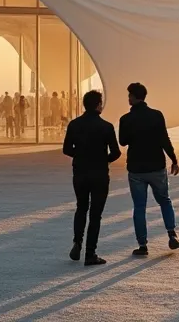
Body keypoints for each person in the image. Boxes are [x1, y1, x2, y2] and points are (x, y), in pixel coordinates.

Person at [118, 82, 179, 256]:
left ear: (134, 97)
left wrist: (133, 132)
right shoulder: (156, 115)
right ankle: (172, 234)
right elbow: (164, 139)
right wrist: (174, 159)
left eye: (129, 95)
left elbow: (122, 141)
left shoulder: (126, 119)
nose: (128, 98)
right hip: (156, 166)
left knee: (139, 207)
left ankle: (143, 245)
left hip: (136, 169)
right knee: (164, 201)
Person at [63, 89, 121, 266]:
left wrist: (80, 155)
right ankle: (90, 253)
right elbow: (116, 153)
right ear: (98, 105)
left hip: (80, 172)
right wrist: (104, 160)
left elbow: (66, 149)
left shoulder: (74, 124)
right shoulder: (106, 126)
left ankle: (77, 242)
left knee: (81, 207)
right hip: (100, 174)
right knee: (96, 214)